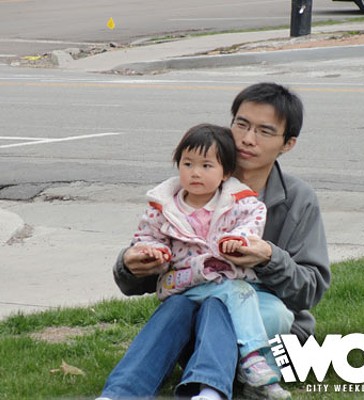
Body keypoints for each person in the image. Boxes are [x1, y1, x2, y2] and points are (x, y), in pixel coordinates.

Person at [97, 82, 330, 400]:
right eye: (241, 124)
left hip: (265, 323)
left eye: (264, 131)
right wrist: (131, 264)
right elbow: (144, 269)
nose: (247, 139)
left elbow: (311, 289)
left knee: (261, 309)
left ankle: (230, 376)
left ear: (287, 143)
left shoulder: (298, 199)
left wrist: (267, 258)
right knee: (183, 306)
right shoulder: (188, 186)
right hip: (192, 312)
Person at [130, 123, 282, 393]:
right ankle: (251, 358)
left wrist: (237, 239)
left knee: (240, 293)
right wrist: (153, 250)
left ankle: (250, 362)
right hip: (182, 285)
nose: (195, 173)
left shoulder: (238, 202)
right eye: (187, 164)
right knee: (239, 292)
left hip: (220, 283)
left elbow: (253, 219)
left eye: (206, 166)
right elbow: (146, 235)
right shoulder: (164, 206)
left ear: (226, 173)